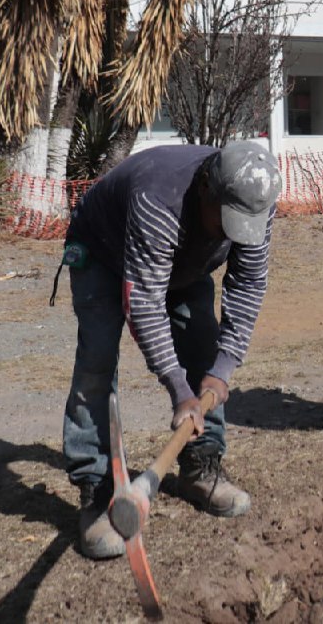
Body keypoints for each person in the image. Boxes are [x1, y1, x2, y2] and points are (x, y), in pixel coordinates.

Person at [58, 141, 280, 560]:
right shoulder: (158, 197)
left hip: (183, 263)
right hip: (104, 252)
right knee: (97, 361)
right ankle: (98, 490)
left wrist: (223, 368)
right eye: (228, 220)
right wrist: (180, 390)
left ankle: (200, 466)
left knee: (203, 345)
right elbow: (143, 300)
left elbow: (249, 284)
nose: (237, 233)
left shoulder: (256, 198)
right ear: (206, 190)